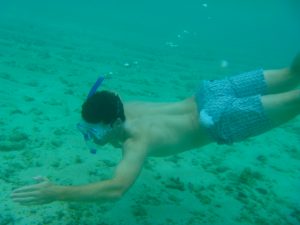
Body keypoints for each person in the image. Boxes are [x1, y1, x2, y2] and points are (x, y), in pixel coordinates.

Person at [12, 53, 300, 205]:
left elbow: (115, 189)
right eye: (85, 129)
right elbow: (103, 95)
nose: (91, 137)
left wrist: (56, 193)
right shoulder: (122, 105)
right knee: (293, 74)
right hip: (208, 93)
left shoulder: (136, 141)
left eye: (95, 131)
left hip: (222, 118)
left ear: (113, 124)